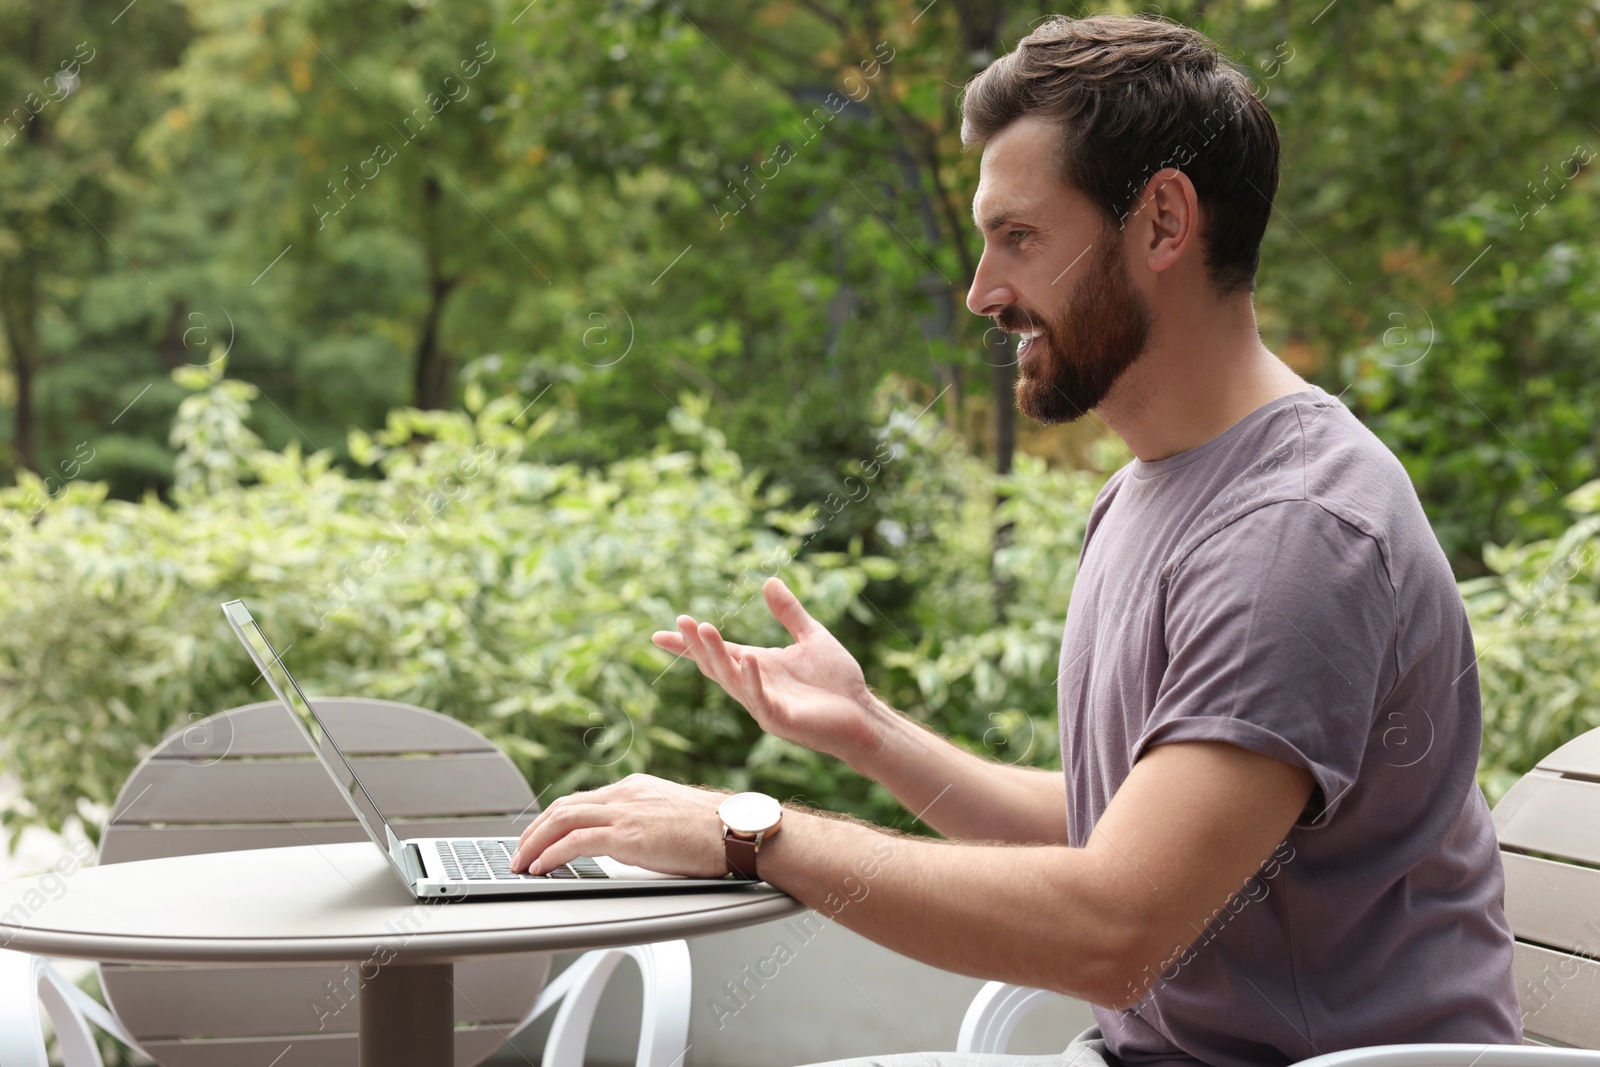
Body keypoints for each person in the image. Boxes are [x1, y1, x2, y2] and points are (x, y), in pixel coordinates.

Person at [511, 13, 1522, 1066]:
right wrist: (867, 730)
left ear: (1162, 223)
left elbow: (1114, 925)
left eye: (1022, 237)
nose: (982, 290)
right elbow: (1121, 832)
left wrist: (749, 831)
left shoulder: (1294, 532)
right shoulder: (1150, 494)